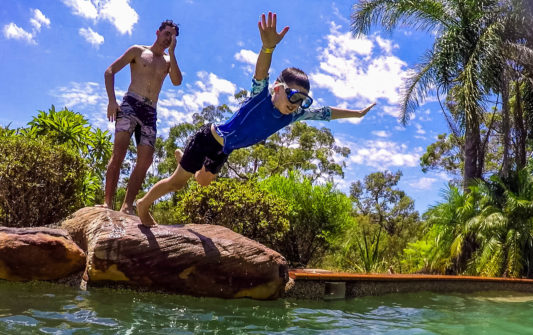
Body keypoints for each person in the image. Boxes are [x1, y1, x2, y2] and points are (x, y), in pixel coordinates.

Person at [136, 12, 375, 226]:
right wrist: (268, 48)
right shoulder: (260, 96)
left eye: (303, 100)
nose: (296, 104)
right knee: (178, 183)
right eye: (293, 95)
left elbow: (328, 114)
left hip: (225, 150)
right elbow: (261, 71)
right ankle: (143, 204)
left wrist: (358, 114)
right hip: (208, 138)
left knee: (204, 182)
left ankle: (187, 161)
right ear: (278, 89)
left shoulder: (293, 115)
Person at [102, 19, 183, 214]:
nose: (168, 39)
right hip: (130, 104)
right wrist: (112, 101)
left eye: (172, 37)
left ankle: (127, 205)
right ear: (158, 32)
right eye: (167, 34)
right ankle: (107, 203)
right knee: (118, 154)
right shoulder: (138, 51)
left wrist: (172, 52)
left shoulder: (168, 61)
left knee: (145, 161)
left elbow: (177, 81)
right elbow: (109, 71)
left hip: (150, 112)